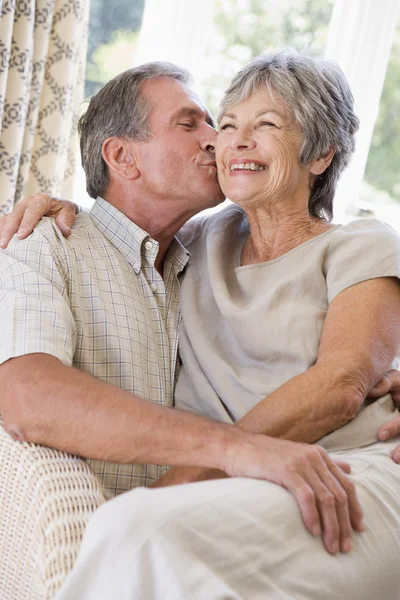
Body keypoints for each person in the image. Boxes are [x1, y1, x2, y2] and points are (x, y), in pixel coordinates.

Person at [2, 52, 400, 599]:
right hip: (239, 482)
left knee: (138, 532)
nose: (221, 141)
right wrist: (52, 207)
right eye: (212, 123)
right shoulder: (188, 243)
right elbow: (26, 390)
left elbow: (348, 378)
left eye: (263, 126)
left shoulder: (349, 243)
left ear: (321, 154)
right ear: (121, 156)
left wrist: (178, 482)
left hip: (346, 467)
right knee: (142, 538)